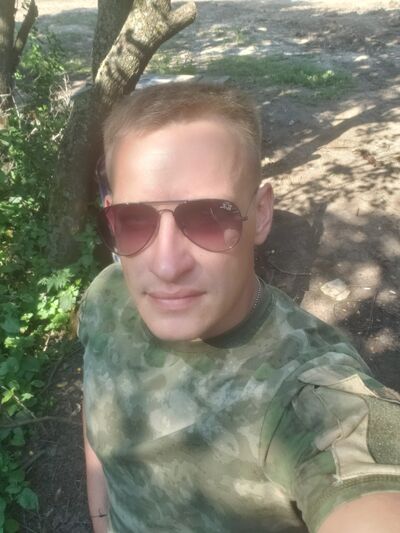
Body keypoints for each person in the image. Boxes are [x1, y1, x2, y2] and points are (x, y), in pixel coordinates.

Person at [78, 83, 400, 533]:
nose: (166, 265)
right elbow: (96, 405)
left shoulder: (309, 395)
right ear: (111, 215)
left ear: (262, 213)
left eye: (210, 217)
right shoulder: (107, 296)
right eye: (134, 221)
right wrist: (101, 518)